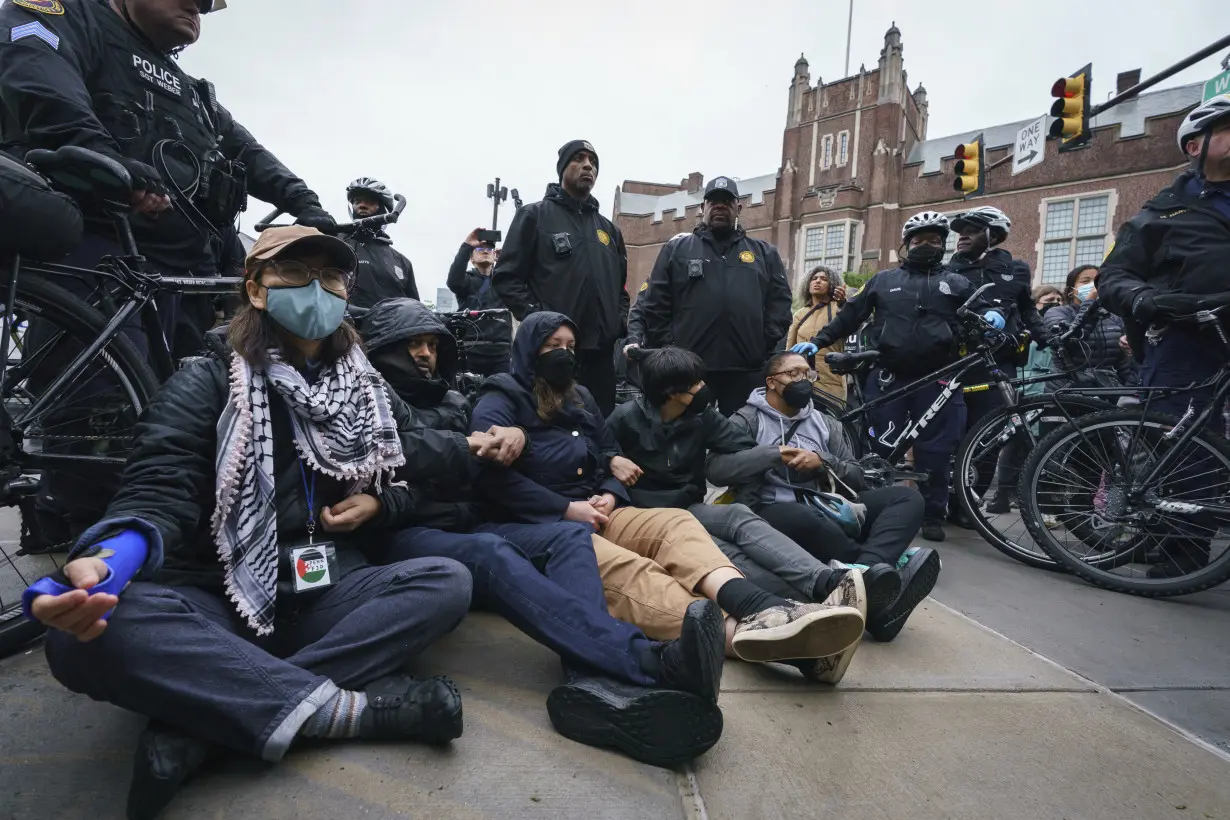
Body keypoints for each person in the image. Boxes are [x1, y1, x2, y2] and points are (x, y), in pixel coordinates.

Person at [21, 226, 505, 819]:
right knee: (80, 640)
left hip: (319, 591)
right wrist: (112, 557)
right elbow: (160, 480)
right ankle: (343, 712)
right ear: (256, 288)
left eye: (330, 278)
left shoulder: (364, 391)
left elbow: (419, 448)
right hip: (214, 594)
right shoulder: (208, 378)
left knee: (446, 582)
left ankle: (206, 722)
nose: (318, 291)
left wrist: (483, 444)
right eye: (297, 275)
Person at [0, 0, 337, 546]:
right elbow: (37, 73)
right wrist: (99, 156)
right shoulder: (66, 14)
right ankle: (93, 548)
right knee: (101, 412)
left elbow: (248, 152)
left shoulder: (194, 91)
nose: (199, 7)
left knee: (183, 407)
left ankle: (155, 532)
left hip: (185, 268)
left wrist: (306, 203)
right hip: (100, 249)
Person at [355, 299, 726, 767]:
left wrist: (531, 446)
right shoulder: (368, 401)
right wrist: (507, 447)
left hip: (471, 520)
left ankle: (590, 686)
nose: (425, 354)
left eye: (431, 344)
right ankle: (649, 662)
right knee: (491, 551)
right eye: (413, 345)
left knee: (568, 539)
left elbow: (485, 468)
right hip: (410, 531)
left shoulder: (452, 400)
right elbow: (396, 460)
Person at [469, 311, 866, 666]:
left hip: (601, 507)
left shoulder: (581, 396)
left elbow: (607, 450)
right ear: (528, 347)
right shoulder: (502, 395)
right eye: (553, 345)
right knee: (634, 570)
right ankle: (757, 639)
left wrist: (608, 487)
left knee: (677, 524)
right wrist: (564, 507)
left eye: (571, 345)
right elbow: (488, 473)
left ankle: (768, 610)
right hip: (541, 522)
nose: (565, 353)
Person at [607, 346, 875, 683]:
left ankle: (829, 582)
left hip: (689, 508)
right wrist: (611, 464)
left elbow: (741, 446)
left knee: (736, 515)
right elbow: (599, 455)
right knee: (722, 556)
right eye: (695, 384)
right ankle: (797, 612)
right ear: (672, 393)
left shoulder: (702, 417)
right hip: (645, 517)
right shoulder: (625, 418)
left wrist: (772, 455)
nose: (704, 387)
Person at [792, 212, 996, 541]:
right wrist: (816, 341)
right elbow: (849, 315)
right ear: (906, 244)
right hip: (889, 376)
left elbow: (982, 307)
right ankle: (876, 506)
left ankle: (933, 513)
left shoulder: (957, 281)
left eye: (933, 240)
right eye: (918, 240)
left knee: (938, 450)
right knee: (881, 448)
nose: (925, 245)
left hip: (939, 377)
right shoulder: (883, 280)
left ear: (943, 245)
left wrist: (993, 315)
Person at [1096, 95, 1230, 578]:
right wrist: (1145, 300)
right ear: (1196, 144)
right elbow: (1113, 277)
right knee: (1182, 444)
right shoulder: (1164, 211)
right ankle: (1178, 544)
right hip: (1188, 339)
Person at [722, 351, 938, 643]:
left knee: (907, 499)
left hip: (831, 507)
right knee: (806, 518)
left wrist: (823, 462)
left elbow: (857, 475)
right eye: (793, 373)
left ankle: (866, 573)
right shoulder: (746, 419)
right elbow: (719, 469)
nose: (804, 380)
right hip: (771, 509)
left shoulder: (825, 422)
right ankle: (887, 580)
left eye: (808, 374)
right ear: (772, 382)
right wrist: (773, 455)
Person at [626, 176, 793, 416]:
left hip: (745, 371)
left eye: (727, 201)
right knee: (686, 438)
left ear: (739, 208)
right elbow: (655, 305)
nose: (720, 206)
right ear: (702, 208)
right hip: (690, 371)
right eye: (713, 201)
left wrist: (761, 344)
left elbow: (780, 305)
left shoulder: (764, 254)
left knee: (739, 441)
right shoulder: (677, 250)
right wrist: (673, 348)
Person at [493, 140, 629, 414]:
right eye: (579, 158)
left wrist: (617, 323)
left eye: (593, 161)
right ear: (563, 168)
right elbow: (507, 278)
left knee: (599, 428)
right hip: (554, 353)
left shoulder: (609, 231)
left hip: (600, 355)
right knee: (553, 426)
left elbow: (621, 290)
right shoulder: (534, 215)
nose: (588, 165)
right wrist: (539, 320)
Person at [944, 207, 1049, 426]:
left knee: (991, 427)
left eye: (972, 230)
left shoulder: (1016, 269)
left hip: (999, 360)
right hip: (956, 360)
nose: (963, 235)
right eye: (961, 231)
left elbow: (1028, 309)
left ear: (995, 235)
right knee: (951, 427)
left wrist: (1049, 339)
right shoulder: (946, 271)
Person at [1042, 265, 1138, 393]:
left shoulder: (1114, 318)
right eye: (1085, 281)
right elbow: (1068, 342)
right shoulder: (1057, 312)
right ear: (1071, 290)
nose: (1093, 286)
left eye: (1097, 281)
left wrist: (1131, 391)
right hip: (1066, 391)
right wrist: (1089, 304)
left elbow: (1124, 363)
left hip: (1105, 391)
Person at [343, 177, 419, 309]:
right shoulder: (336, 243)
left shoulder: (402, 262)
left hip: (390, 327)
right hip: (343, 326)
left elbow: (415, 309)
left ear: (384, 209)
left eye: (370, 201)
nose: (362, 205)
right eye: (357, 201)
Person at [446, 228, 513, 375]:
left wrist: (508, 262)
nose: (485, 251)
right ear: (471, 258)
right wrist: (467, 246)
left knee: (503, 393)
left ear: (494, 255)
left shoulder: (503, 281)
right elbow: (453, 281)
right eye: (480, 249)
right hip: (471, 349)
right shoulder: (466, 281)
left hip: (501, 352)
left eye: (489, 249)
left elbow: (521, 285)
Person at [786, 265, 849, 402]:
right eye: (814, 278)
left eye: (824, 279)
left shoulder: (838, 308)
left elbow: (850, 321)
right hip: (801, 379)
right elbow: (789, 350)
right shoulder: (799, 314)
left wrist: (843, 303)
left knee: (831, 420)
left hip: (831, 379)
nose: (818, 281)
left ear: (832, 284)